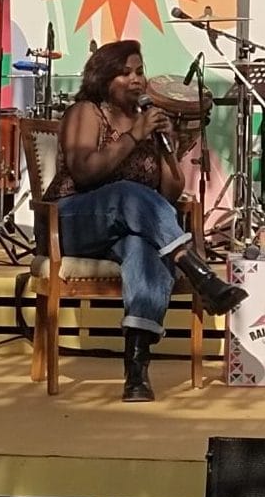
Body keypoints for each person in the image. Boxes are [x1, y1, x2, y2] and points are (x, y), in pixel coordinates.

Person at [49, 41, 245, 402]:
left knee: (145, 251)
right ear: (104, 77)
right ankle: (193, 265)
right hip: (75, 220)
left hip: (125, 229)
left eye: (140, 71)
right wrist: (134, 136)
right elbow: (84, 172)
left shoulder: (147, 120)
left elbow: (168, 193)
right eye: (126, 73)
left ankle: (136, 371)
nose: (137, 80)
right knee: (125, 193)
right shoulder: (86, 112)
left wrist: (168, 147)